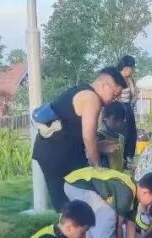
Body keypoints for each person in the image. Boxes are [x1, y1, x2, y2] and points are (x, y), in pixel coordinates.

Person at [31, 69, 126, 210]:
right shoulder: (91, 98)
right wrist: (97, 169)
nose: (115, 99)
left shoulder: (82, 91)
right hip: (58, 156)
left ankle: (74, 227)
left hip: (53, 152)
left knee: (73, 204)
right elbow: (89, 136)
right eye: (115, 94)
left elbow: (76, 131)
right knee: (73, 206)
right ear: (104, 85)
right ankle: (70, 229)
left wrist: (98, 146)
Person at [66, 152, 152, 238]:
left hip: (77, 184)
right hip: (78, 185)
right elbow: (118, 225)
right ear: (145, 192)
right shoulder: (127, 192)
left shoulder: (134, 192)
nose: (151, 204)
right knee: (107, 215)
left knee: (96, 223)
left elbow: (131, 223)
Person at [115, 55, 140, 165]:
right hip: (117, 108)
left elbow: (135, 95)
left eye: (132, 68)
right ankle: (120, 157)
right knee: (121, 134)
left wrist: (131, 104)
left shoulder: (130, 80)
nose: (131, 70)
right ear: (124, 67)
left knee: (131, 133)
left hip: (128, 107)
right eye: (130, 68)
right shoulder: (115, 78)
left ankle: (129, 156)